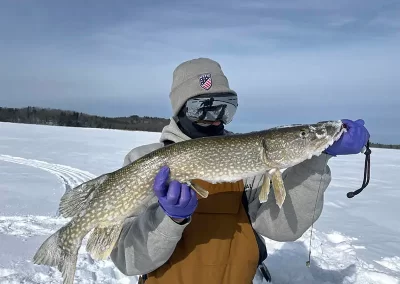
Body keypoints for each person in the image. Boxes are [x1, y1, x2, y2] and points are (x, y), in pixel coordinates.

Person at [110, 58, 370, 284]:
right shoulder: (142, 160)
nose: (216, 117)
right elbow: (129, 262)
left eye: (225, 107)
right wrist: (169, 219)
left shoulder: (252, 163)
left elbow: (283, 229)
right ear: (180, 110)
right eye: (203, 107)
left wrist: (317, 158)